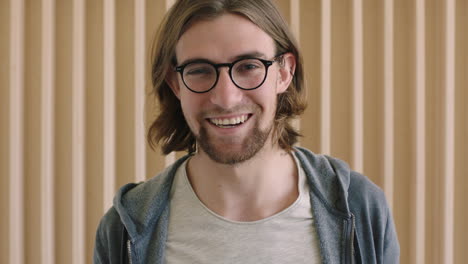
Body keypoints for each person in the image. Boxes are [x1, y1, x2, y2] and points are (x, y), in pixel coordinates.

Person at [93, 0, 400, 263]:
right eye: (199, 70)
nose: (226, 98)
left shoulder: (361, 208)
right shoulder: (124, 229)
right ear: (175, 84)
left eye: (248, 66)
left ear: (284, 72)